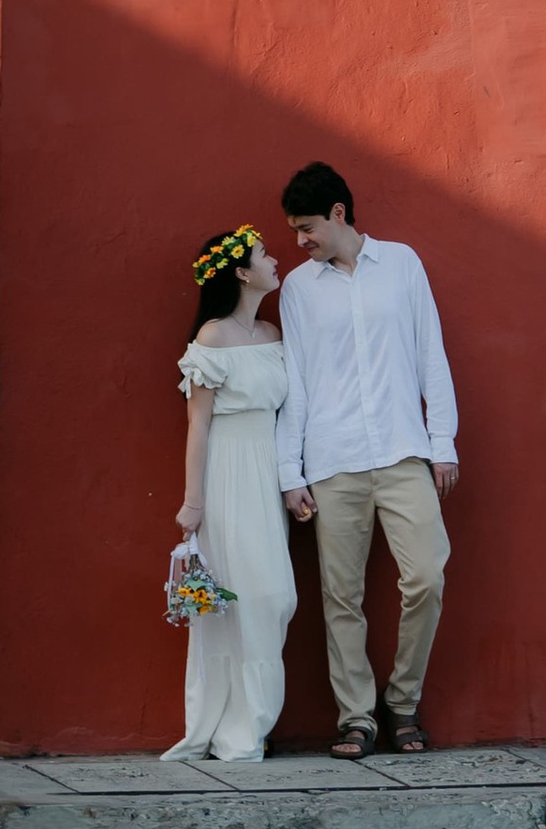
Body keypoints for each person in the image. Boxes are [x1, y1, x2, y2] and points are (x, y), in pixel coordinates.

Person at [275, 161, 458, 759]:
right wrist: (290, 473)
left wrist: (442, 442)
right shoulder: (300, 289)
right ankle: (357, 716)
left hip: (404, 450)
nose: (299, 242)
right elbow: (295, 381)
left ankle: (402, 701)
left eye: (306, 228)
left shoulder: (402, 263)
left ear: (338, 214)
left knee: (427, 575)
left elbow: (431, 351)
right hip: (333, 458)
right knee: (341, 595)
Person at [165, 224, 296, 762]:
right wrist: (193, 502)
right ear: (241, 272)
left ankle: (250, 721)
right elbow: (198, 425)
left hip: (269, 471)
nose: (274, 260)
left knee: (274, 597)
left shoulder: (271, 335)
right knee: (240, 601)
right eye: (265, 254)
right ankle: (236, 730)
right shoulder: (213, 338)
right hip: (227, 473)